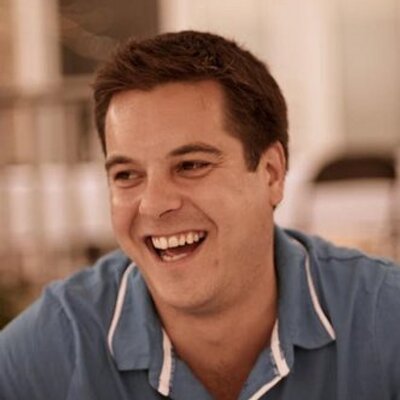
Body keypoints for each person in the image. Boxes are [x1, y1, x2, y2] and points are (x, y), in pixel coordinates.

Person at [1, 30, 400, 400]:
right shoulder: (47, 354)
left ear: (271, 173)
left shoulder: (385, 320)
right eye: (127, 175)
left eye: (191, 165)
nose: (154, 204)